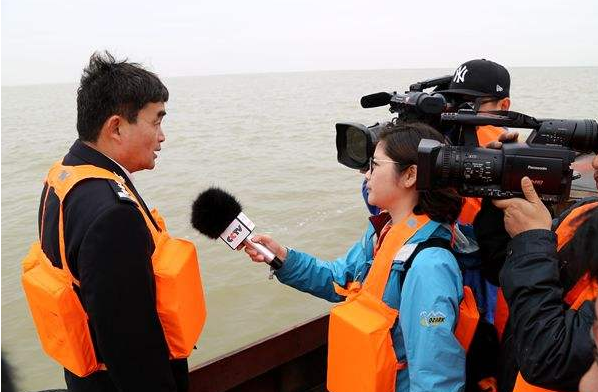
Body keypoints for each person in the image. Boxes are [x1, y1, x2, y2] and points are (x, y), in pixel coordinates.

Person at [21, 52, 205, 392]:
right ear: (116, 127)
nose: (162, 136)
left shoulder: (64, 177)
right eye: (156, 121)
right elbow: (130, 347)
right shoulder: (113, 215)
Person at [245, 122, 471, 392]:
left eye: (375, 165)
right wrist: (280, 257)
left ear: (410, 175)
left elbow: (435, 378)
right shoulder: (383, 232)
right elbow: (339, 279)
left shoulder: (429, 266)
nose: (366, 175)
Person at [480, 144, 598, 391]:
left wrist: (532, 239)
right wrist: (505, 188)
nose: (595, 163)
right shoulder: (586, 214)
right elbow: (504, 267)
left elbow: (551, 358)